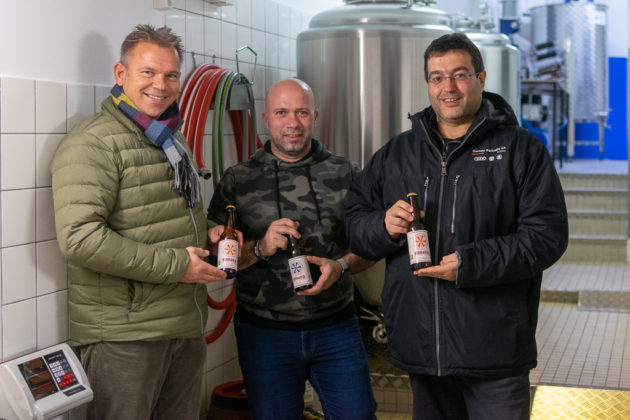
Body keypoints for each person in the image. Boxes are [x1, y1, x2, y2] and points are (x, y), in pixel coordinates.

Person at [345, 33, 568, 420]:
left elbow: (546, 236)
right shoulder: (397, 153)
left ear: (481, 78)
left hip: (494, 350)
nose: (448, 87)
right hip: (422, 349)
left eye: (460, 74)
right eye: (437, 77)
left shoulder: (520, 150)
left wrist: (470, 263)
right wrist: (383, 225)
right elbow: (354, 221)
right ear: (428, 83)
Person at [51, 24, 241, 419]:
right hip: (125, 337)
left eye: (171, 75)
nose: (161, 85)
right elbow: (80, 239)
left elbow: (167, 217)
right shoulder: (94, 142)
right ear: (121, 74)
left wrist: (207, 233)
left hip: (182, 324)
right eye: (148, 72)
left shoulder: (170, 139)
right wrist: (177, 266)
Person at [207, 78, 377, 419]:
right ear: (266, 118)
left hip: (336, 328)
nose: (292, 123)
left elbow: (371, 246)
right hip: (265, 334)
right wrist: (260, 247)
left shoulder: (347, 173)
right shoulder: (238, 180)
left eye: (301, 112)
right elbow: (219, 260)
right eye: (282, 112)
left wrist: (342, 266)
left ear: (315, 116)